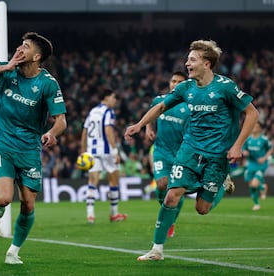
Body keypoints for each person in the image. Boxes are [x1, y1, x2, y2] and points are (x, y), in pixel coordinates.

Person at [124, 39, 259, 261]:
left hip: (217, 155)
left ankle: (222, 183)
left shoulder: (225, 87)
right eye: (187, 59)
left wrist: (237, 145)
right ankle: (157, 249)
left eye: (192, 60)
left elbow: (252, 113)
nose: (187, 63)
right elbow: (160, 106)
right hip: (190, 149)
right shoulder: (185, 88)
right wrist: (139, 125)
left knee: (202, 208)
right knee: (171, 196)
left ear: (207, 64)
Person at [0, 32, 67, 265]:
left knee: (28, 204)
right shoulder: (8, 70)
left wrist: (51, 133)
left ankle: (13, 251)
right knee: (3, 200)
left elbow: (61, 120)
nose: (20, 49)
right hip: (2, 142)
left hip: (29, 148)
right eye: (20, 45)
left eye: (26, 46)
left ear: (37, 56)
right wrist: (5, 68)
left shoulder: (47, 84)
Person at [145, 71, 188, 238]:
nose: (175, 84)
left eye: (179, 82)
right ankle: (166, 212)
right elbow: (151, 114)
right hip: (161, 151)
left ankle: (170, 221)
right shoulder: (159, 100)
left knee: (177, 189)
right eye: (173, 81)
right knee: (162, 184)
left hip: (180, 154)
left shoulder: (189, 106)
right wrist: (148, 128)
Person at [80, 88, 127, 223]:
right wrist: (115, 151)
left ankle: (90, 215)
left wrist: (83, 151)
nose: (115, 100)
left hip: (92, 151)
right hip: (106, 151)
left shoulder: (92, 111)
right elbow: (108, 130)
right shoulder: (108, 112)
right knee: (114, 179)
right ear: (106, 98)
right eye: (113, 97)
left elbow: (84, 132)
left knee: (92, 181)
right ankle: (114, 213)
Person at [242, 121, 272, 211]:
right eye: (253, 126)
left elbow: (270, 149)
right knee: (251, 185)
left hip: (261, 165)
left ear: (260, 128)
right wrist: (244, 152)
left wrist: (264, 157)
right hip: (251, 164)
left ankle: (257, 202)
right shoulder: (248, 139)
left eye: (256, 126)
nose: (254, 128)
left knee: (254, 184)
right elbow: (244, 148)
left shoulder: (264, 139)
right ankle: (261, 190)